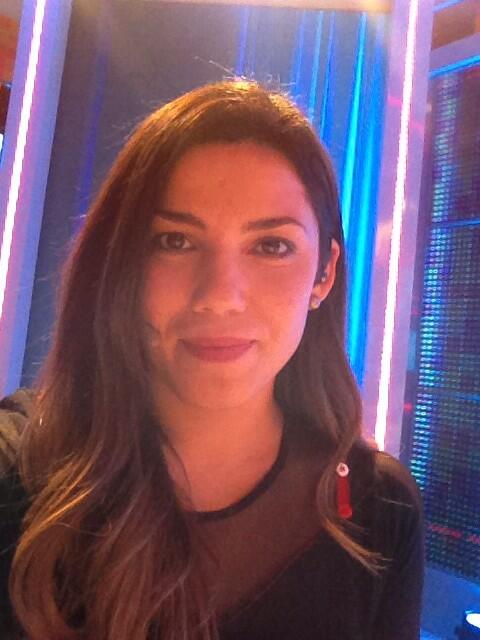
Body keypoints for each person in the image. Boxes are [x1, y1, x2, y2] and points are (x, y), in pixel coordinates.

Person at [0, 80, 424, 640]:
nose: (220, 296)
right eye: (174, 241)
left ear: (323, 274)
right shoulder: (18, 472)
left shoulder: (380, 512)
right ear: (122, 262)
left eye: (271, 246)